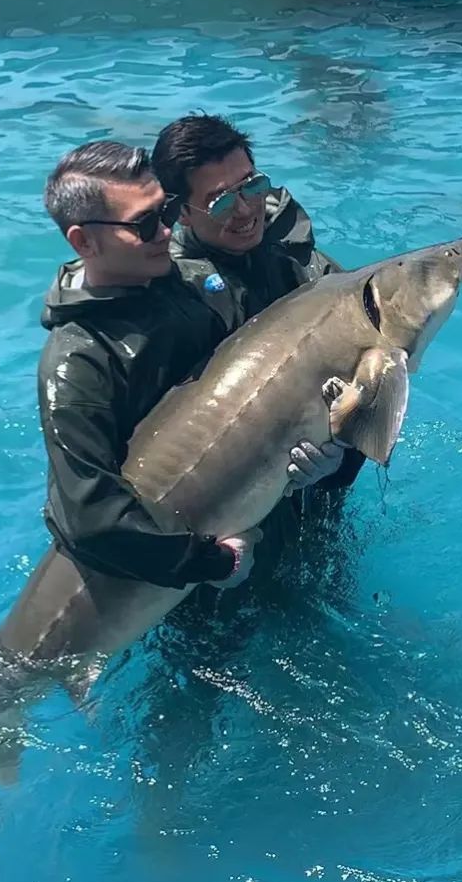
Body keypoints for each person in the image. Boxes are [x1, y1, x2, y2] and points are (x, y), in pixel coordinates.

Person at [37, 138, 343, 593]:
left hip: (276, 518)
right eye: (144, 225)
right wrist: (213, 564)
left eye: (164, 213)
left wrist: (339, 451)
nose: (165, 233)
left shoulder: (199, 280)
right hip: (188, 573)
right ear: (84, 241)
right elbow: (88, 517)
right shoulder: (79, 362)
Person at [150, 113, 367, 572]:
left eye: (251, 185)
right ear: (179, 211)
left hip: (309, 500)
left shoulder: (301, 264)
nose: (246, 210)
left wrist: (341, 463)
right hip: (213, 542)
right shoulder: (165, 303)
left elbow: (367, 377)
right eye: (220, 200)